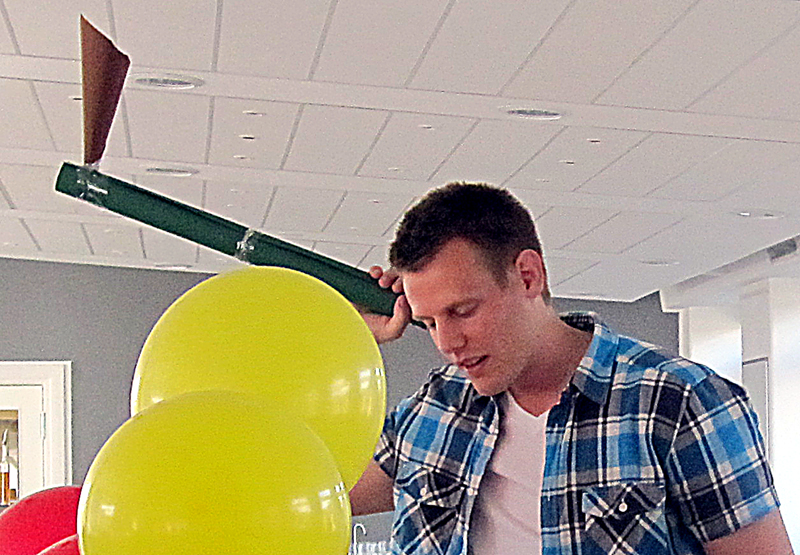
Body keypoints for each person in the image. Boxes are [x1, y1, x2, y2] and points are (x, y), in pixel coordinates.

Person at [349, 182, 794, 555]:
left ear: (528, 276)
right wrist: (344, 335)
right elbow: (319, 488)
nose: (447, 343)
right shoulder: (434, 409)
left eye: (462, 311)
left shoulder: (679, 401)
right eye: (429, 323)